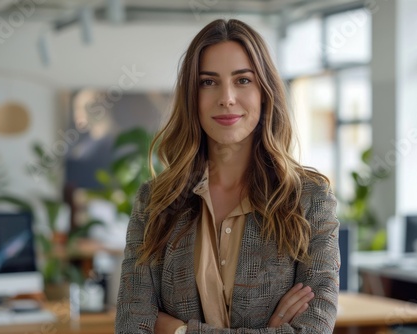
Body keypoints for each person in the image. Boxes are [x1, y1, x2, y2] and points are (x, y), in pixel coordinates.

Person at [115, 18, 340, 334]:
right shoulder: (155, 201)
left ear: (265, 91)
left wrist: (178, 331)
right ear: (192, 96)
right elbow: (130, 324)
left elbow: (314, 328)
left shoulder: (309, 197)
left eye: (243, 80)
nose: (227, 97)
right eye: (209, 82)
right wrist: (272, 329)